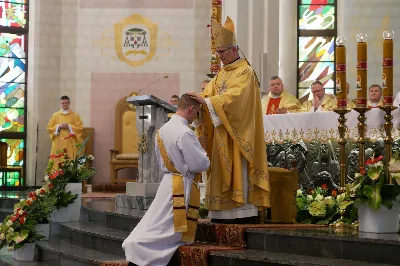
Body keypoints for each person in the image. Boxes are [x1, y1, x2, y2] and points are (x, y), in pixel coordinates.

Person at [188, 16, 270, 224]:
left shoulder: (246, 72)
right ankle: (220, 212)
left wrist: (208, 102)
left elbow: (236, 99)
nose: (220, 57)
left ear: (234, 49)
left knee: (238, 170)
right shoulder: (221, 75)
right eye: (218, 53)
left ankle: (242, 211)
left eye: (223, 52)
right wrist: (199, 103)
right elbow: (209, 96)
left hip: (238, 135)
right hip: (220, 135)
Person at [122, 94, 210, 266]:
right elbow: (199, 164)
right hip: (181, 185)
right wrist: (204, 149)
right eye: (196, 113)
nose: (195, 117)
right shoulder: (185, 132)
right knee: (167, 229)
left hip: (168, 182)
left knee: (156, 221)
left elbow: (160, 159)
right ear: (191, 109)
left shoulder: (163, 129)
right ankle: (147, 254)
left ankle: (137, 246)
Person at [47, 96, 83, 162]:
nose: (64, 104)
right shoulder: (55, 115)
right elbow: (49, 128)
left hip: (70, 142)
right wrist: (58, 126)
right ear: (60, 104)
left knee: (69, 158)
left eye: (66, 102)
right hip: (58, 142)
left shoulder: (75, 115)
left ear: (69, 103)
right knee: (58, 160)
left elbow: (79, 128)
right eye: (63, 103)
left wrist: (69, 126)